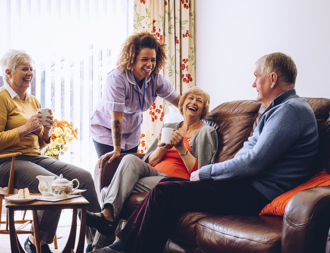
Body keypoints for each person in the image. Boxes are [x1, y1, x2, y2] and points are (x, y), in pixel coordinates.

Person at [93, 52, 319, 253]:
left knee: (165, 192)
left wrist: (208, 172)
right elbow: (247, 157)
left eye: (256, 76)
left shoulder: (291, 111)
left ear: (272, 79)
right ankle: (122, 246)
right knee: (163, 188)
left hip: (255, 192)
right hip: (244, 185)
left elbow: (253, 161)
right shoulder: (275, 110)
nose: (253, 83)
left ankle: (122, 247)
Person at [87, 87, 218, 250]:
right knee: (129, 159)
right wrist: (163, 147)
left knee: (111, 191)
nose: (194, 102)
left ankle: (97, 244)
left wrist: (180, 148)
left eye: (199, 101)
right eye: (190, 98)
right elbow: (150, 160)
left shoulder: (206, 132)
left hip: (175, 182)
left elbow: (201, 172)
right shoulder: (170, 126)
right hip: (153, 173)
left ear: (203, 109)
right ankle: (105, 225)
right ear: (182, 104)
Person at [0, 49, 101, 253]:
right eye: (24, 69)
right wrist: (25, 128)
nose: (30, 73)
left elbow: (38, 144)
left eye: (31, 68)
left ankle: (99, 243)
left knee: (84, 177)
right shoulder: (2, 98)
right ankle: (37, 241)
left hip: (34, 158)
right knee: (55, 185)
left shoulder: (33, 101)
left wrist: (46, 132)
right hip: (7, 162)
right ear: (9, 73)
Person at [89, 31, 181, 167]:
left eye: (153, 60)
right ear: (132, 59)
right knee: (110, 170)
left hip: (131, 131)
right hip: (107, 129)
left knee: (128, 171)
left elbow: (181, 103)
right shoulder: (117, 79)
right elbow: (117, 119)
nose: (150, 64)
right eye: (144, 59)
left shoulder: (155, 79)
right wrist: (117, 149)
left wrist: (202, 117)